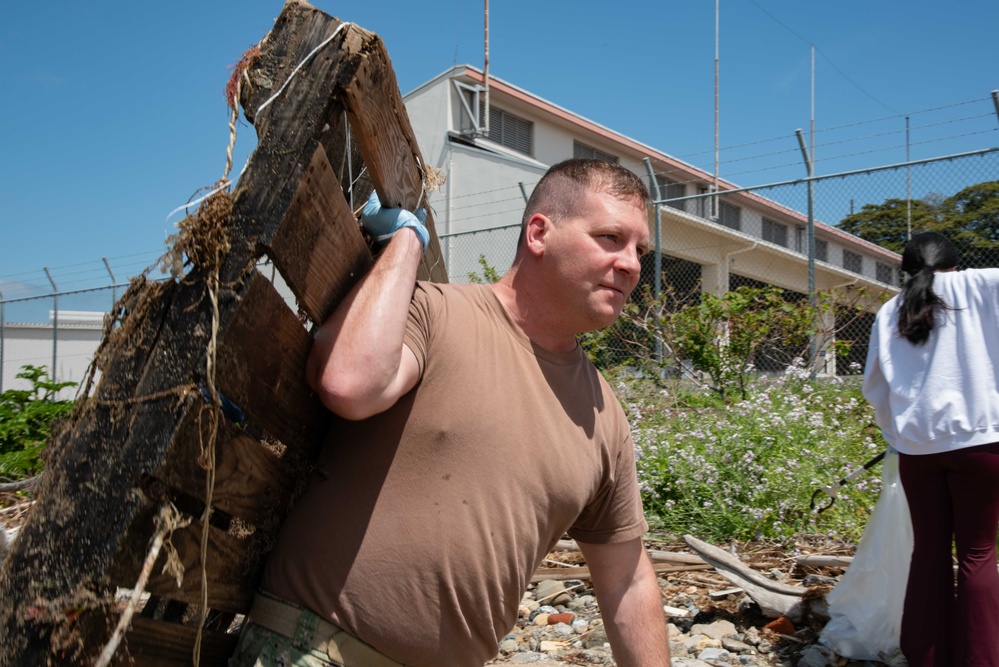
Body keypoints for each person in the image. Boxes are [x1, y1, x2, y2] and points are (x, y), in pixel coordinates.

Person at [230, 159, 672, 667]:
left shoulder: (605, 417)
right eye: (611, 238)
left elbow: (629, 580)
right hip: (314, 650)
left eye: (639, 249)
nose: (633, 264)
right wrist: (407, 242)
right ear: (539, 233)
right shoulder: (436, 313)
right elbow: (348, 384)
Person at [863, 231, 999, 667]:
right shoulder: (984, 283)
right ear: (954, 263)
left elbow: (875, 387)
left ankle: (926, 655)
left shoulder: (890, 310)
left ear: (904, 268)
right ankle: (981, 658)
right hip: (982, 443)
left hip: (917, 451)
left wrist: (898, 437)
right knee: (979, 553)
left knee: (929, 550)